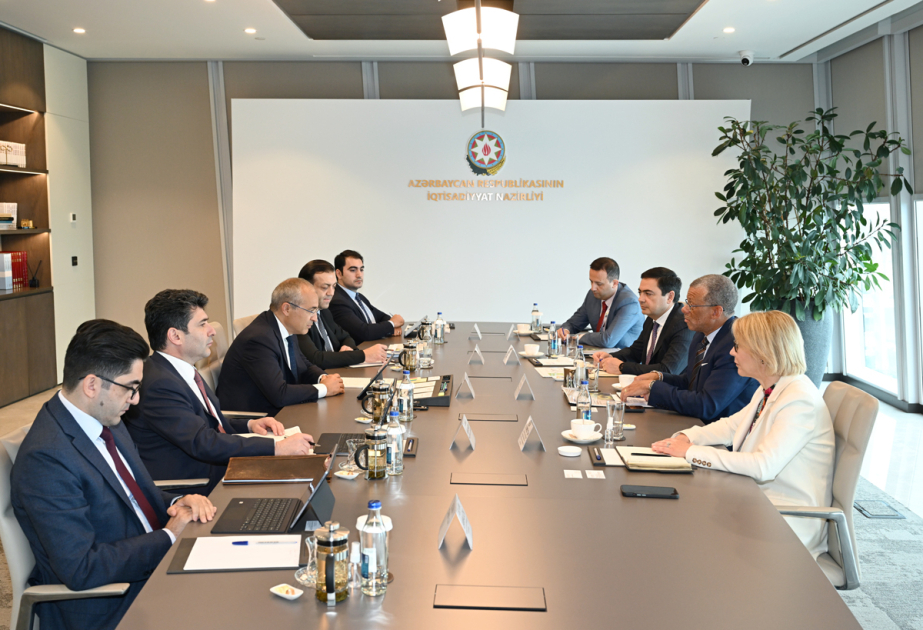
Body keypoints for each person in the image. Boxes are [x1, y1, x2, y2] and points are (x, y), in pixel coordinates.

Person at [10, 320, 216, 630]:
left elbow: (133, 494)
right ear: (92, 385)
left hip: (149, 565)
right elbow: (82, 568)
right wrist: (169, 536)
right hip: (110, 603)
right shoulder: (46, 458)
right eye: (131, 388)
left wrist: (178, 502)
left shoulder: (105, 417)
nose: (136, 400)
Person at [651, 311, 835, 559]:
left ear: (762, 353)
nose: (731, 352)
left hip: (785, 521)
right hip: (756, 501)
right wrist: (688, 437)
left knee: (687, 533)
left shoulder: (799, 400)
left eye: (738, 346)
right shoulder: (771, 387)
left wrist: (691, 452)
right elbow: (731, 426)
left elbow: (762, 466)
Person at [124, 289, 317, 492]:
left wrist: (250, 425)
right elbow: (203, 442)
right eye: (202, 324)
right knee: (300, 486)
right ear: (175, 336)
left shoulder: (181, 370)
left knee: (311, 471)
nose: (212, 331)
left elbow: (208, 424)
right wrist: (276, 447)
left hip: (220, 468)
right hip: (202, 486)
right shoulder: (159, 385)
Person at [621, 274, 758, 422]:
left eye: (692, 305)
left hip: (718, 431)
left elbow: (706, 405)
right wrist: (659, 377)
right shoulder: (701, 335)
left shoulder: (736, 345)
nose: (684, 309)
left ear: (716, 312)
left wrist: (653, 387)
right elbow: (691, 382)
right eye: (687, 302)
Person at [218, 278, 345, 415]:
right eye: (311, 310)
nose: (315, 318)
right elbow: (280, 395)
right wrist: (324, 389)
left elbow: (303, 365)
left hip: (279, 410)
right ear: (286, 309)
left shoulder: (286, 327)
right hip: (256, 418)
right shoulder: (259, 339)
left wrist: (323, 378)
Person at [592, 267, 693, 375]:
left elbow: (667, 370)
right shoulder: (652, 318)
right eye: (640, 292)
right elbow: (636, 352)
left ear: (669, 297)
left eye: (648, 293)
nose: (640, 299)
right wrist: (610, 356)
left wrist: (622, 367)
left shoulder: (684, 324)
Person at [297, 259, 389, 369]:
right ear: (306, 288)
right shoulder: (298, 318)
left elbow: (346, 337)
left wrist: (347, 347)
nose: (331, 293)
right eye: (325, 287)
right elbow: (316, 359)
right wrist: (363, 355)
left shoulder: (325, 312)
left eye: (334, 286)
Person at [557, 257, 644, 349]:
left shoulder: (629, 303)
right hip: (599, 352)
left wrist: (579, 337)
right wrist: (565, 330)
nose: (593, 288)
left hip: (622, 355)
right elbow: (573, 323)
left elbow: (608, 340)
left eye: (599, 284)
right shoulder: (593, 295)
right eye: (591, 281)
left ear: (614, 283)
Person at [328, 249, 404, 344]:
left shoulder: (359, 297)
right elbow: (364, 332)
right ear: (339, 274)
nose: (359, 275)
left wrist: (391, 325)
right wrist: (392, 324)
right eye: (353, 270)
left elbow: (382, 317)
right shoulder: (337, 301)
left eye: (361, 269)